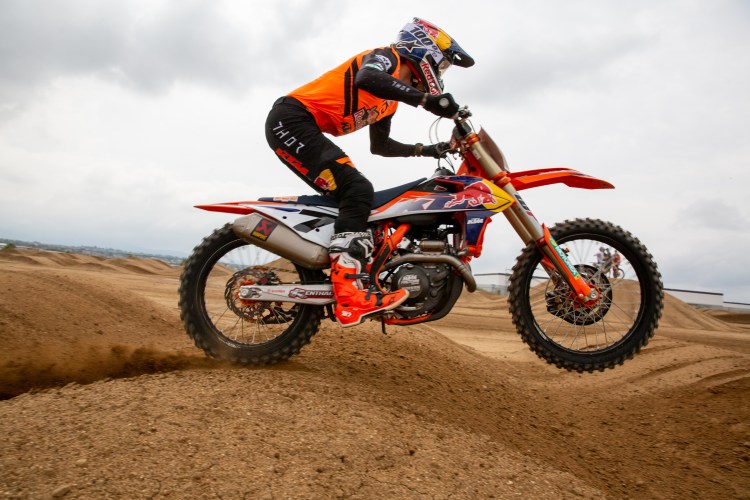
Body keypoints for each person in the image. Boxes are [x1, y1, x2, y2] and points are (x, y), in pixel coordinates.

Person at [265, 18, 474, 327]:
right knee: (357, 189)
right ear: (425, 49)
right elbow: (367, 77)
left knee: (357, 200)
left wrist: (430, 149)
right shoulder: (387, 57)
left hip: (301, 126)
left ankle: (343, 273)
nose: (441, 73)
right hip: (291, 119)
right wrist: (426, 100)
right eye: (443, 64)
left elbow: (381, 146)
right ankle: (348, 292)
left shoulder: (390, 101)